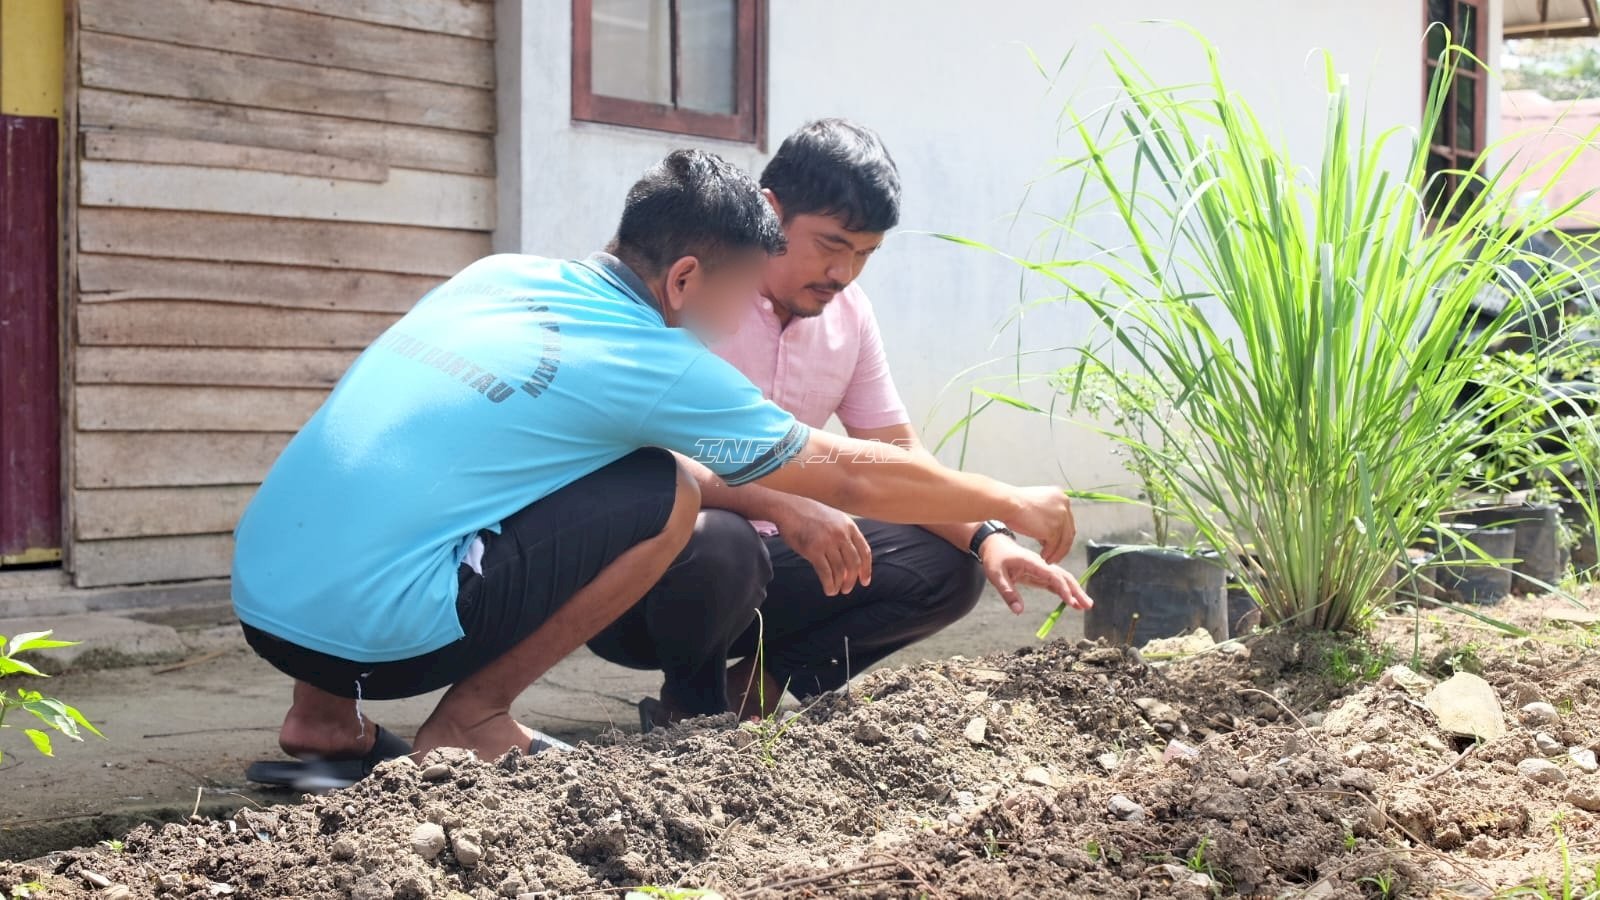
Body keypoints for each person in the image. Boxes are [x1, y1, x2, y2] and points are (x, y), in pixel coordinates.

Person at [232, 148, 1086, 787]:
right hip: (386, 642)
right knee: (668, 487)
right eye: (735, 294)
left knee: (433, 478)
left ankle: (321, 723)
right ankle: (470, 721)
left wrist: (972, 532)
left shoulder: (502, 277)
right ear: (684, 278)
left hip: (264, 601)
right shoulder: (652, 355)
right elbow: (848, 475)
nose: (734, 317)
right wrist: (1006, 498)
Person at [589, 121, 1093, 729]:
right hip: (653, 574)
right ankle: (691, 711)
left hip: (777, 563)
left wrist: (990, 538)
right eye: (830, 246)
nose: (845, 273)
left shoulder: (849, 314)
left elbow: (895, 453)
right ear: (769, 212)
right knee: (724, 540)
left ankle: (754, 689)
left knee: (947, 563)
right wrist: (792, 505)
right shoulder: (691, 291)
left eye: (865, 253)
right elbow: (646, 459)